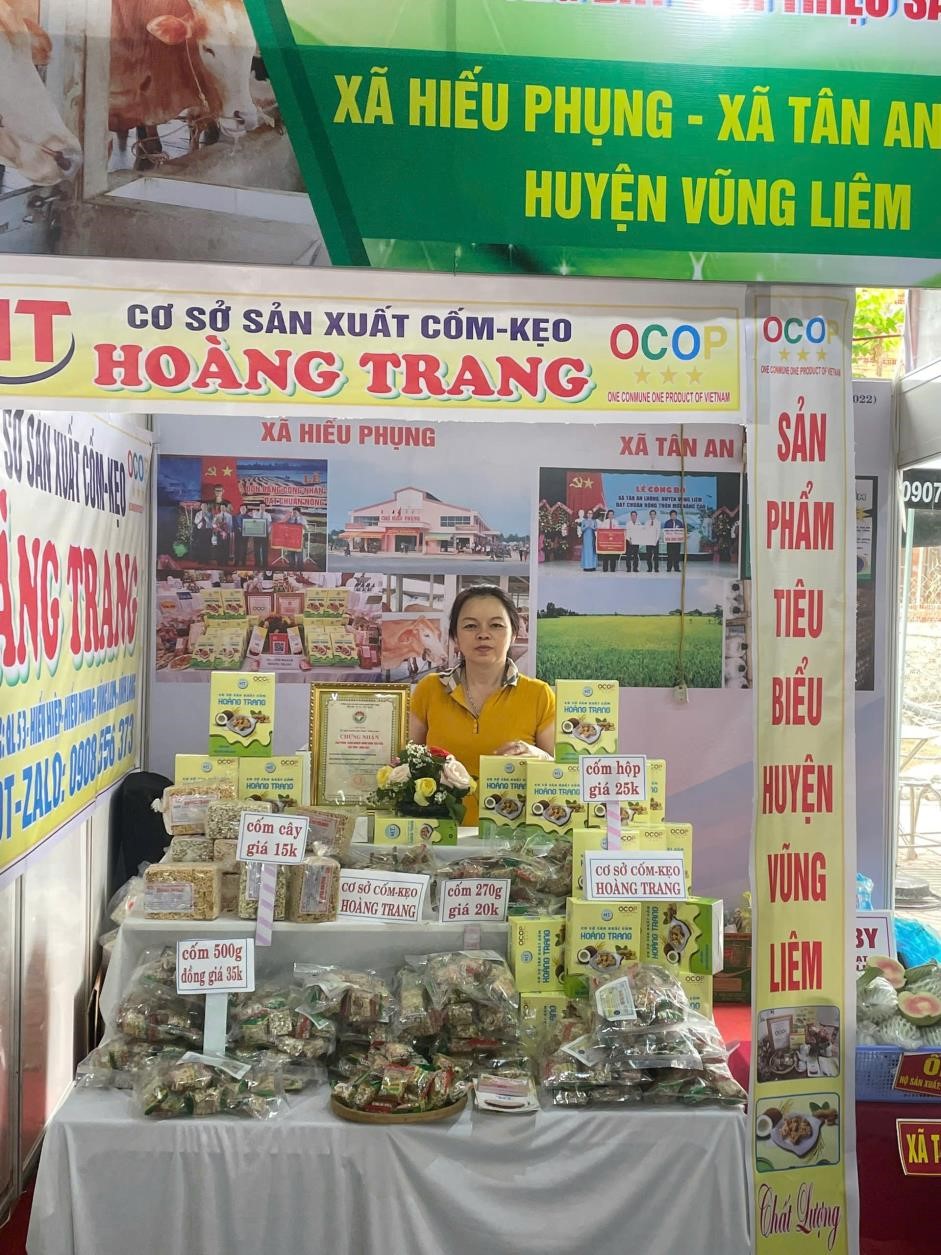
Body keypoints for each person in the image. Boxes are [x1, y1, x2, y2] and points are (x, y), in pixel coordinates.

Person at [409, 585, 555, 827]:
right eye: (470, 626)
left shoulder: (539, 694)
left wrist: (540, 757)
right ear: (455, 636)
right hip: (439, 834)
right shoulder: (430, 689)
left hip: (512, 836)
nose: (483, 634)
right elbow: (407, 764)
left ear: (514, 634)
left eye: (496, 625)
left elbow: (560, 772)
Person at [598, 509, 622, 574]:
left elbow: (618, 531)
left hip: (613, 542)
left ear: (613, 515)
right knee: (605, 555)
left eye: (612, 514)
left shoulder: (616, 522)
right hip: (606, 541)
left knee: (613, 555)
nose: (611, 515)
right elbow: (601, 530)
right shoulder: (604, 522)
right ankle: (605, 569)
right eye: (610, 514)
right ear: (608, 515)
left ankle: (612, 569)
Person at [645, 509, 661, 573]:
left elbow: (658, 532)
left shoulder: (658, 522)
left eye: (653, 514)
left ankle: (656, 569)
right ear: (650, 515)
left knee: (656, 556)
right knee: (648, 556)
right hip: (648, 541)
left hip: (655, 541)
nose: (652, 515)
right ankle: (649, 568)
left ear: (655, 515)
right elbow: (645, 531)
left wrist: (656, 540)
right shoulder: (647, 522)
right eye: (651, 514)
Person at [234, 504, 249, 568]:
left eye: (244, 508)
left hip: (245, 535)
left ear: (246, 510)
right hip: (237, 534)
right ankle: (236, 562)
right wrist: (237, 528)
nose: (242, 509)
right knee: (236, 548)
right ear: (240, 509)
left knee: (244, 548)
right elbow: (234, 525)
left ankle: (243, 562)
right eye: (241, 508)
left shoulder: (249, 517)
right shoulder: (236, 516)